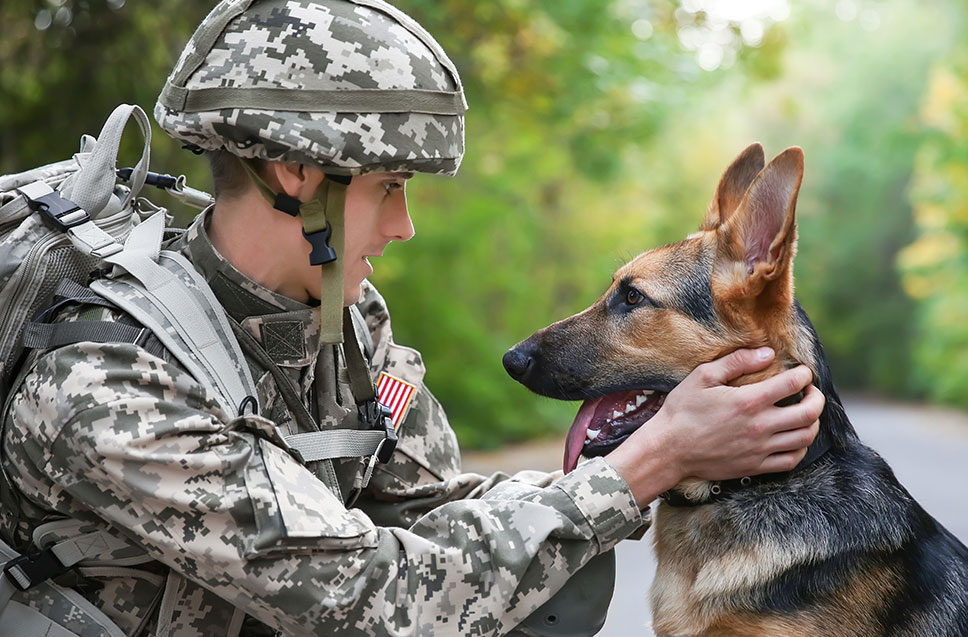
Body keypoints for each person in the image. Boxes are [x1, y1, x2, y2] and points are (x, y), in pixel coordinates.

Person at [0, 1, 823, 635]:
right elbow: (372, 599)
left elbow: (431, 513)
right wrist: (652, 458)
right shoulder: (111, 375)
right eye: (389, 187)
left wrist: (695, 451)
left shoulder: (340, 323)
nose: (404, 227)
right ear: (296, 174)